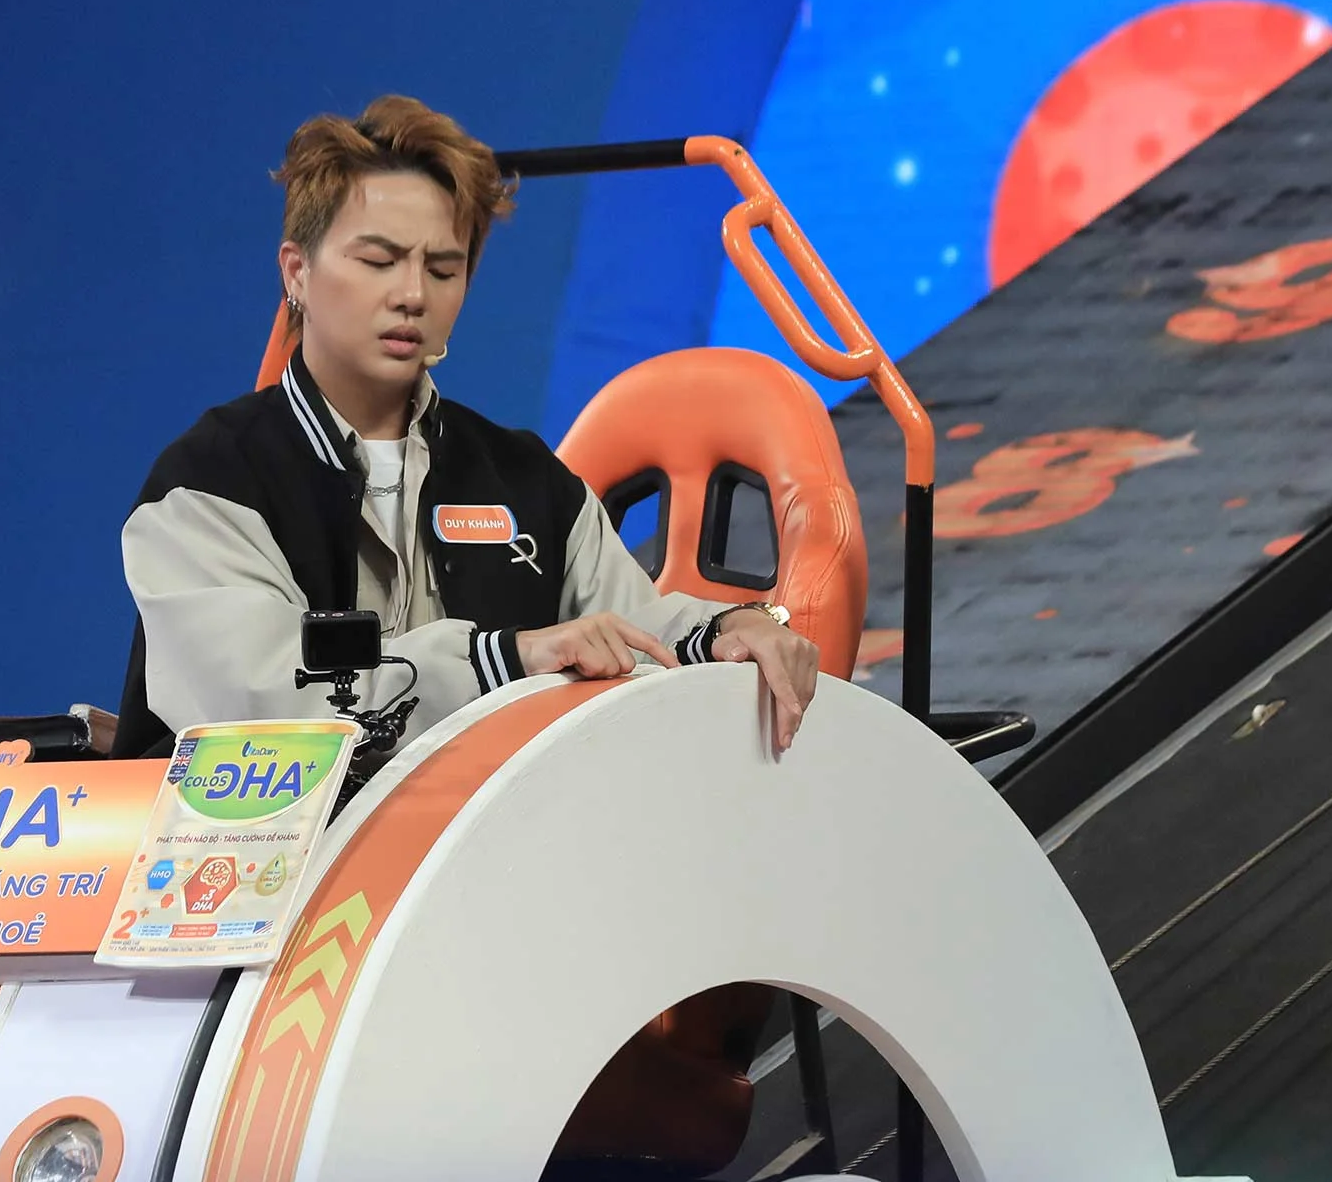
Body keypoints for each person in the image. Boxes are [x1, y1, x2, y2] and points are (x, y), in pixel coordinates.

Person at [115, 94, 821, 764]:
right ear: (296, 271)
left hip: (495, 841)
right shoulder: (208, 481)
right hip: (264, 847)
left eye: (443, 270)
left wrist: (727, 629)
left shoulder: (528, 480)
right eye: (378, 261)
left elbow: (642, 627)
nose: (411, 294)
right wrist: (503, 660)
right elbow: (258, 702)